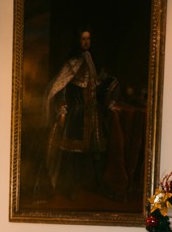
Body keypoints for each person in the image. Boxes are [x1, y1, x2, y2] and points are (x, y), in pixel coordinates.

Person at [44, 29, 119, 197]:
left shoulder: (93, 61)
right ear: (78, 41)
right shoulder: (71, 64)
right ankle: (72, 189)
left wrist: (110, 95)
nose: (86, 42)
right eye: (83, 39)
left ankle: (100, 185)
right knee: (76, 154)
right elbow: (61, 89)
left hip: (93, 115)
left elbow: (101, 84)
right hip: (77, 116)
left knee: (97, 152)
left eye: (88, 39)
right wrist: (62, 109)